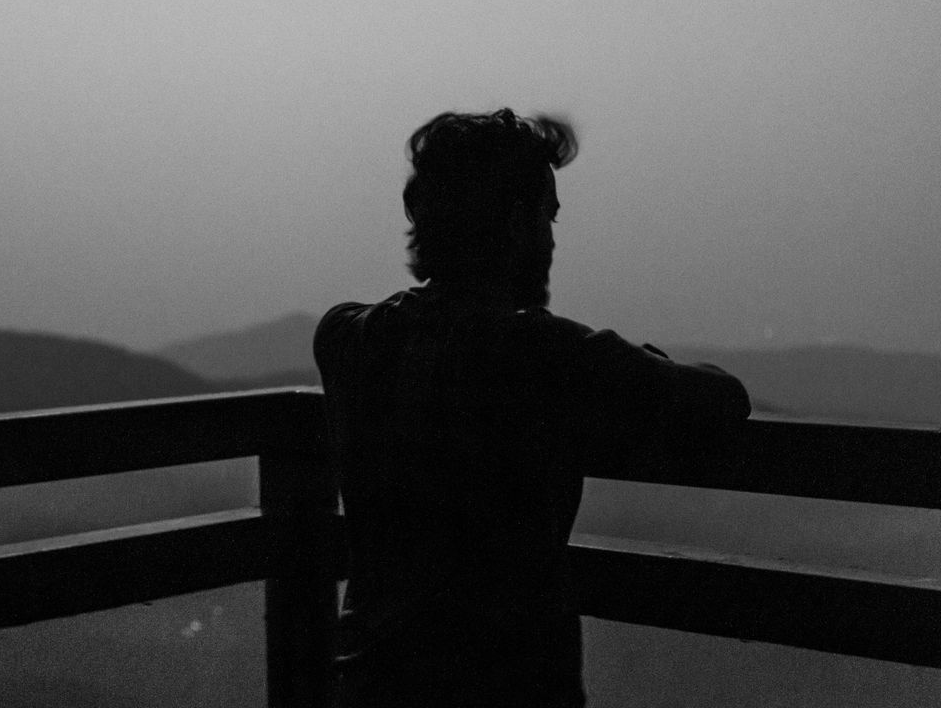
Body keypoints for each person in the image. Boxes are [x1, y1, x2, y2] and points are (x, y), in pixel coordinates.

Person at [314, 108, 751, 707]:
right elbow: (722, 398)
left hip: (368, 685)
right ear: (517, 223)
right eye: (547, 216)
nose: (552, 237)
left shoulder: (345, 338)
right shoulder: (548, 354)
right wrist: (640, 361)